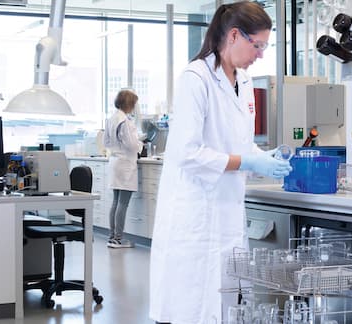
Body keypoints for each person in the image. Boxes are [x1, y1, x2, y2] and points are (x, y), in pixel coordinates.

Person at [149, 2, 292, 323]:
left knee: (226, 305)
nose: (261, 54)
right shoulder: (195, 78)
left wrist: (258, 159)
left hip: (227, 211)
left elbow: (236, 147)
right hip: (195, 214)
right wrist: (246, 161)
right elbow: (187, 152)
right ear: (234, 35)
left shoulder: (243, 83)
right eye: (258, 45)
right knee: (192, 306)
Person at [103, 89, 143, 248]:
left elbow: (106, 142)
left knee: (116, 202)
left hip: (115, 161)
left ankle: (112, 236)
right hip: (125, 164)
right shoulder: (125, 121)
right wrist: (141, 144)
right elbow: (132, 145)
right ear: (130, 104)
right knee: (123, 203)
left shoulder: (112, 119)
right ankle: (118, 239)